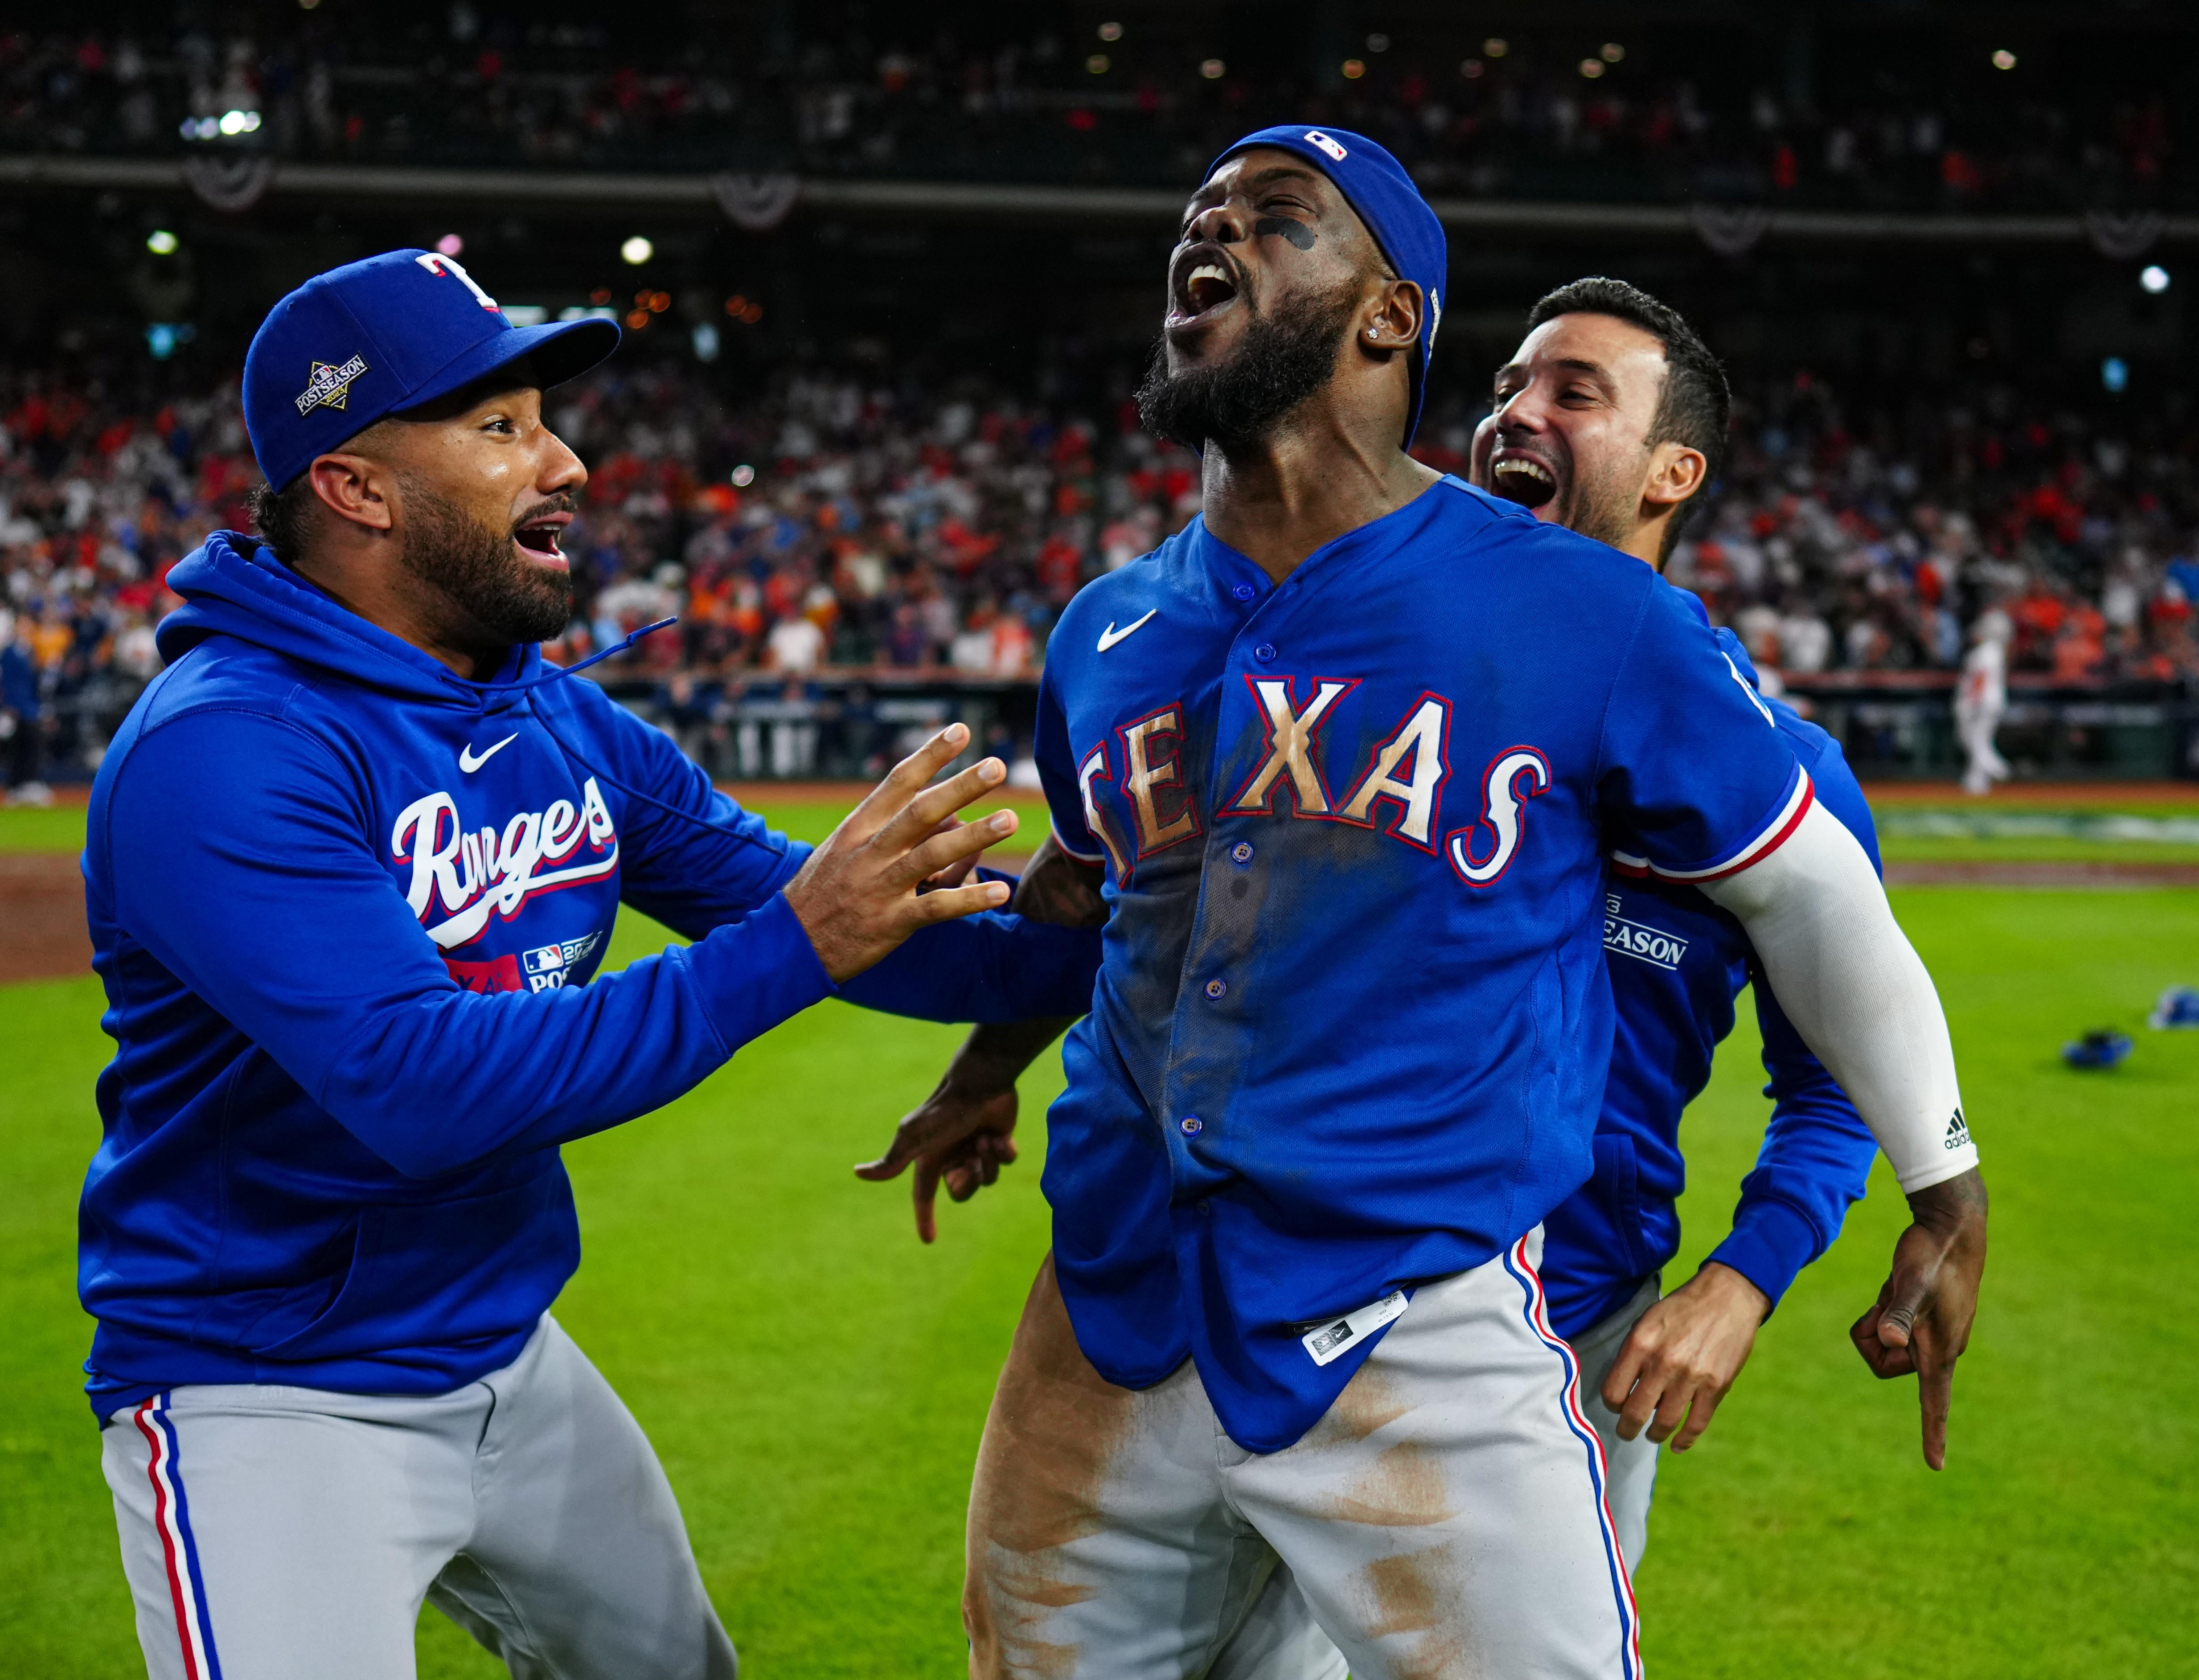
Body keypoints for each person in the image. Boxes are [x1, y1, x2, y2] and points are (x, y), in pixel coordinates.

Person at [860, 129, 1986, 1678]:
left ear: (1388, 316)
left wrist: (1942, 1187)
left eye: (1274, 221)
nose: (1215, 239)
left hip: (1423, 1314)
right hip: (1107, 1309)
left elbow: (1815, 907)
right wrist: (984, 1068)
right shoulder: (1102, 631)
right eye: (1199, 219)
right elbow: (1107, 902)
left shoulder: (1593, 616)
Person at [78, 250, 1102, 1680]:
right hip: (269, 1392)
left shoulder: (549, 711)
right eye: (499, 426)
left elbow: (846, 922)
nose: (563, 456)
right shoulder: (224, 748)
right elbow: (422, 1084)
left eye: (543, 416)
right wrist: (804, 936)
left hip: (502, 1345)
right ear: (358, 487)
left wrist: (1096, 917)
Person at [1463, 275, 1887, 1575]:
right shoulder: (1382, 693)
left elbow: (1844, 1080)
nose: (1513, 413)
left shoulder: (1778, 776)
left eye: (1571, 393)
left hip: (1576, 1340)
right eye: (1502, 389)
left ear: (1671, 472)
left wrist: (1741, 1277)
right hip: (1307, 1306)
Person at [0, 613, 53, 807]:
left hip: (30, 707)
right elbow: (6, 683)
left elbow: (34, 684)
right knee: (21, 748)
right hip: (17, 708)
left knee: (33, 746)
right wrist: (9, 707)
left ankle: (28, 784)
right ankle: (17, 786)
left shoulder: (30, 652)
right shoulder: (9, 652)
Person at [1957, 608, 2013, 794]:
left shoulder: (1988, 651)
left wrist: (1972, 702)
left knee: (1977, 741)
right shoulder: (1994, 651)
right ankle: (1976, 783)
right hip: (1989, 702)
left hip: (1982, 702)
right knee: (1978, 741)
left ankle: (2000, 769)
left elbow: (1981, 679)